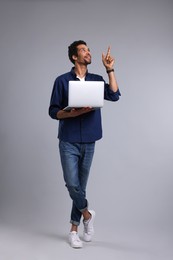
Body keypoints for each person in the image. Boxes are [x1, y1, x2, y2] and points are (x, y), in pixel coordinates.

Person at [49, 40, 121, 248]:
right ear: (74, 56)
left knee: (81, 186)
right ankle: (87, 214)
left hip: (90, 139)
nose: (88, 53)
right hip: (68, 140)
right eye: (83, 50)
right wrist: (73, 113)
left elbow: (115, 95)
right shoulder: (62, 81)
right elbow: (53, 111)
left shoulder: (97, 80)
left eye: (88, 50)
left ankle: (74, 230)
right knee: (73, 184)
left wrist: (110, 70)